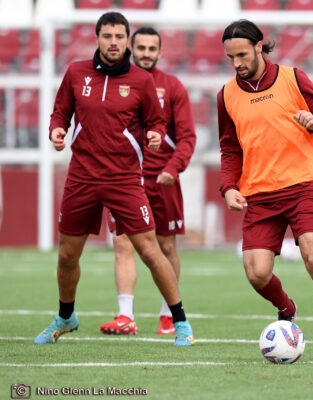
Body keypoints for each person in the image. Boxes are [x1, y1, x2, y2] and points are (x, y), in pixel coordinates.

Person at [34, 12, 194, 346]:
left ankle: (180, 323)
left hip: (124, 179)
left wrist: (154, 134)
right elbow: (60, 111)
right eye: (107, 36)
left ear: (127, 41)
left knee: (151, 251)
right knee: (67, 255)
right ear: (97, 38)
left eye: (119, 37)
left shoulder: (141, 80)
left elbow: (157, 122)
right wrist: (57, 130)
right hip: (81, 177)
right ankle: (66, 316)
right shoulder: (77, 73)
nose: (113, 42)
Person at [218, 19, 313, 363]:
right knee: (257, 273)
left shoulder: (294, 78)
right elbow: (230, 148)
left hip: (301, 186)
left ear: (259, 46)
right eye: (230, 57)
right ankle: (286, 306)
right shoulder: (227, 95)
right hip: (259, 195)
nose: (236, 63)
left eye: (242, 55)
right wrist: (228, 188)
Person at [99, 27, 197, 336]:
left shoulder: (172, 87)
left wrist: (173, 167)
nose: (145, 53)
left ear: (160, 51)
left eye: (151, 48)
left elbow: (187, 138)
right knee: (122, 242)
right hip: (124, 179)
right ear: (131, 47)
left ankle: (168, 314)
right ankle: (125, 315)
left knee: (166, 245)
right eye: (140, 47)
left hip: (162, 180)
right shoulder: (113, 84)